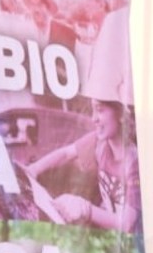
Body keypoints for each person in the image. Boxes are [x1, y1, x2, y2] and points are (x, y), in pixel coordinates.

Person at [26, 96, 140, 232]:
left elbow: (127, 224)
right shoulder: (99, 142)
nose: (93, 118)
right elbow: (66, 154)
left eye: (100, 110)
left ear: (121, 114)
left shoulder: (135, 163)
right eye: (93, 111)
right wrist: (33, 169)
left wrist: (86, 209)